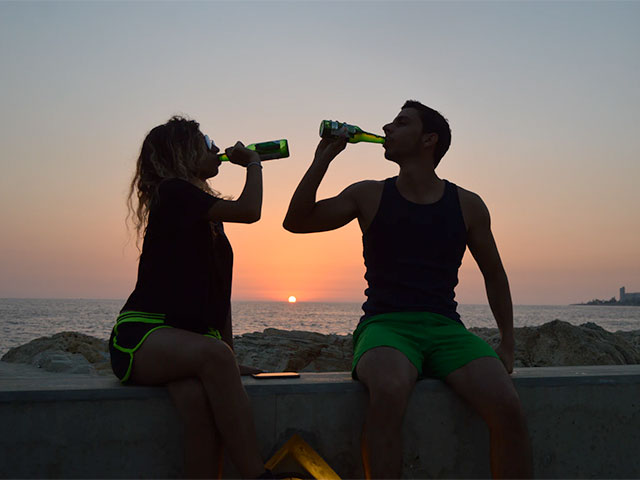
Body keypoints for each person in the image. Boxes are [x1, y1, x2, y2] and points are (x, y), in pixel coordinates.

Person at [283, 101, 533, 478]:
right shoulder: (368, 194)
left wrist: (508, 343)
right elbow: (296, 222)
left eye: (401, 123)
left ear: (429, 139)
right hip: (386, 326)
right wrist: (323, 159)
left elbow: (495, 275)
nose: (386, 127)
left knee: (507, 405)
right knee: (388, 388)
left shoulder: (468, 205)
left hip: (446, 329)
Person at [109, 116, 272, 479]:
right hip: (142, 337)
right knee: (212, 362)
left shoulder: (208, 217)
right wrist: (255, 163)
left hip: (189, 344)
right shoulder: (173, 192)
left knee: (198, 412)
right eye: (206, 141)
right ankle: (256, 475)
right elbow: (250, 211)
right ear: (180, 152)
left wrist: (229, 357)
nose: (216, 149)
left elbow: (220, 295)